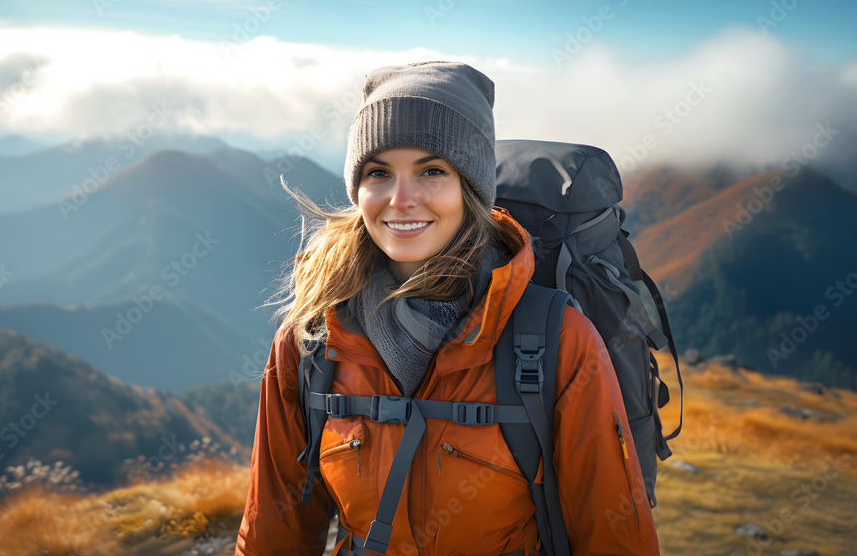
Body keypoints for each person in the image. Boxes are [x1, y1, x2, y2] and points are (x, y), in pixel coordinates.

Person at [235, 61, 659, 555]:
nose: (401, 198)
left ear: (471, 189)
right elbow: (274, 528)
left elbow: (613, 536)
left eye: (431, 170)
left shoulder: (554, 337)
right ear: (358, 190)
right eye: (378, 173)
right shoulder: (313, 336)